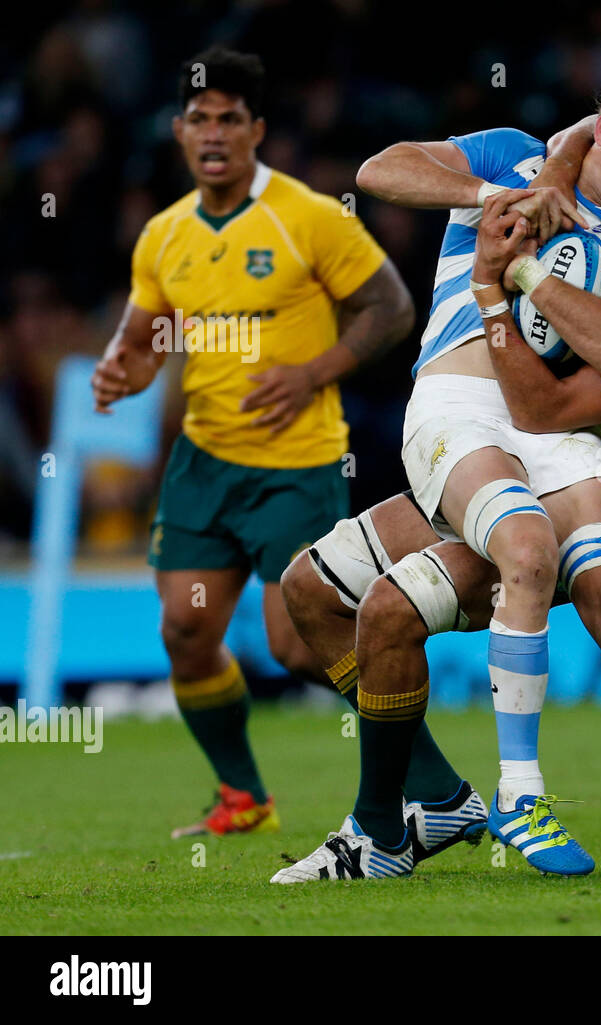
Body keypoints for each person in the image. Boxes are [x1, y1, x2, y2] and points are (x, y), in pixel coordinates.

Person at [273, 75, 601, 882]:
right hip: (461, 416)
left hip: (553, 443)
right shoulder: (514, 158)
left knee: (415, 598)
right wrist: (502, 194)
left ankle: (406, 823)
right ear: (600, 130)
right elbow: (380, 170)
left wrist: (521, 275)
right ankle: (455, 796)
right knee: (310, 596)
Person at [89, 47, 413, 839]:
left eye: (230, 118)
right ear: (178, 130)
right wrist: (120, 370)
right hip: (204, 465)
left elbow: (390, 307)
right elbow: (145, 335)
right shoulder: (163, 236)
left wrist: (313, 373)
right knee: (185, 631)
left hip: (296, 464)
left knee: (299, 646)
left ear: (256, 130)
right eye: (199, 118)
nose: (213, 133)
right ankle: (244, 797)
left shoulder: (307, 215)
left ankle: (431, 782)